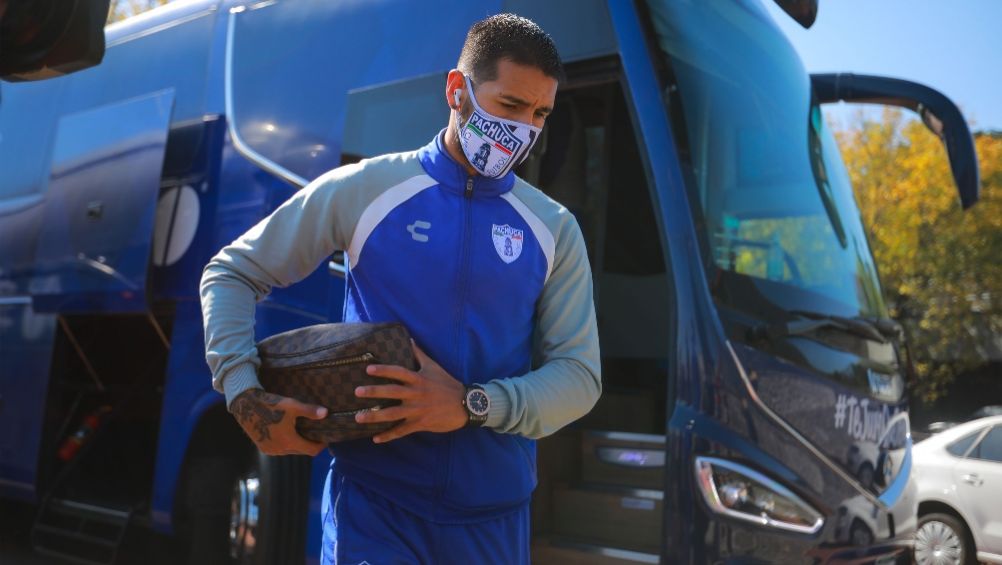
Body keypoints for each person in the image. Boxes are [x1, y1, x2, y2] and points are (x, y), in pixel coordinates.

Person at [199, 13, 600, 564]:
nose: (525, 129)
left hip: (494, 519)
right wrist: (243, 391)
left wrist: (471, 405)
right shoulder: (367, 188)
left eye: (540, 113)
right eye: (510, 106)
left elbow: (579, 376)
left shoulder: (553, 228)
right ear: (457, 91)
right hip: (374, 509)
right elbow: (231, 272)